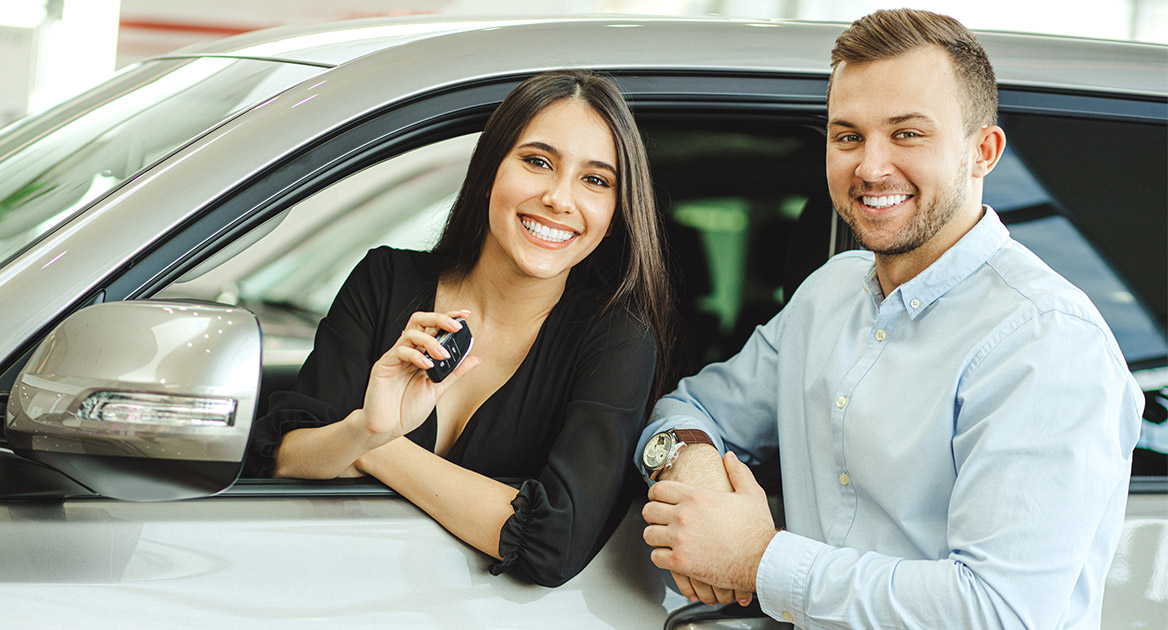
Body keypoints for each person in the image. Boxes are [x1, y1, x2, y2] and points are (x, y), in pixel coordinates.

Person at [637, 9, 1143, 628]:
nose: (871, 167)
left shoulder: (1046, 339)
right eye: (847, 136)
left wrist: (759, 560)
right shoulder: (828, 296)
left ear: (983, 152)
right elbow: (693, 409)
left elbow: (1001, 612)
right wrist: (691, 469)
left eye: (907, 134)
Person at [246, 69, 673, 587]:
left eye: (595, 180)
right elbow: (284, 458)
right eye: (538, 162)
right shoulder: (385, 281)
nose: (561, 199)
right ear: (491, 166)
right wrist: (367, 427)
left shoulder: (616, 340)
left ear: (615, 211)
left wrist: (374, 448)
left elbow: (552, 543)